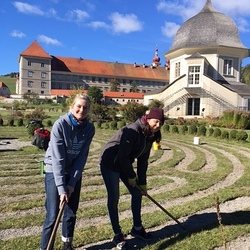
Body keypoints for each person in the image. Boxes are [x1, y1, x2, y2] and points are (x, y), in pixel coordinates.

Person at [100, 107, 164, 249]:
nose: (158, 125)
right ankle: (117, 234)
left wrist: (143, 184)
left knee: (136, 193)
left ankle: (137, 228)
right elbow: (122, 156)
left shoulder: (150, 135)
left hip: (124, 163)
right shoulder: (133, 130)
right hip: (111, 162)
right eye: (156, 121)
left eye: (160, 123)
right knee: (114, 197)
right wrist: (131, 176)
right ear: (148, 119)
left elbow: (143, 162)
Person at [40, 94, 95, 250]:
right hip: (54, 170)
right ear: (72, 107)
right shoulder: (60, 125)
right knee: (52, 215)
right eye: (78, 106)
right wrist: (61, 187)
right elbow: (58, 159)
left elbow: (82, 157)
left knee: (71, 212)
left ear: (89, 110)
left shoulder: (90, 129)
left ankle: (67, 244)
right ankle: (45, 248)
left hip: (73, 171)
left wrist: (72, 183)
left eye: (85, 107)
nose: (81, 110)